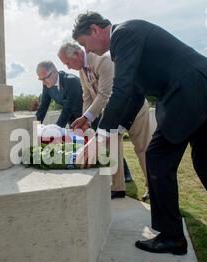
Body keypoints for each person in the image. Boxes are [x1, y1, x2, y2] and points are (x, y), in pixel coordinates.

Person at [72, 12, 207, 255]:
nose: (88, 50)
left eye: (84, 43)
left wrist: (99, 137)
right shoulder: (126, 41)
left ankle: (172, 237)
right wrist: (118, 129)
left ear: (94, 30)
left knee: (157, 158)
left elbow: (121, 89)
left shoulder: (123, 34)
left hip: (188, 91)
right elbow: (135, 93)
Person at [58, 42, 151, 200]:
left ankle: (153, 188)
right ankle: (117, 188)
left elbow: (104, 94)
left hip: (133, 109)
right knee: (112, 148)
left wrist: (87, 117)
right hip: (113, 114)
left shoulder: (103, 61)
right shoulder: (82, 71)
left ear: (77, 54)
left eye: (67, 63)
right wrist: (84, 121)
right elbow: (86, 97)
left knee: (142, 149)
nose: (67, 67)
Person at [36, 61, 83, 128]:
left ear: (54, 72)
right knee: (75, 138)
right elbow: (42, 108)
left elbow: (68, 108)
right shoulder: (47, 85)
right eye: (41, 80)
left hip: (87, 118)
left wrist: (56, 128)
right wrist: (34, 128)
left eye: (45, 78)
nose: (43, 83)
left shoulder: (71, 81)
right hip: (72, 121)